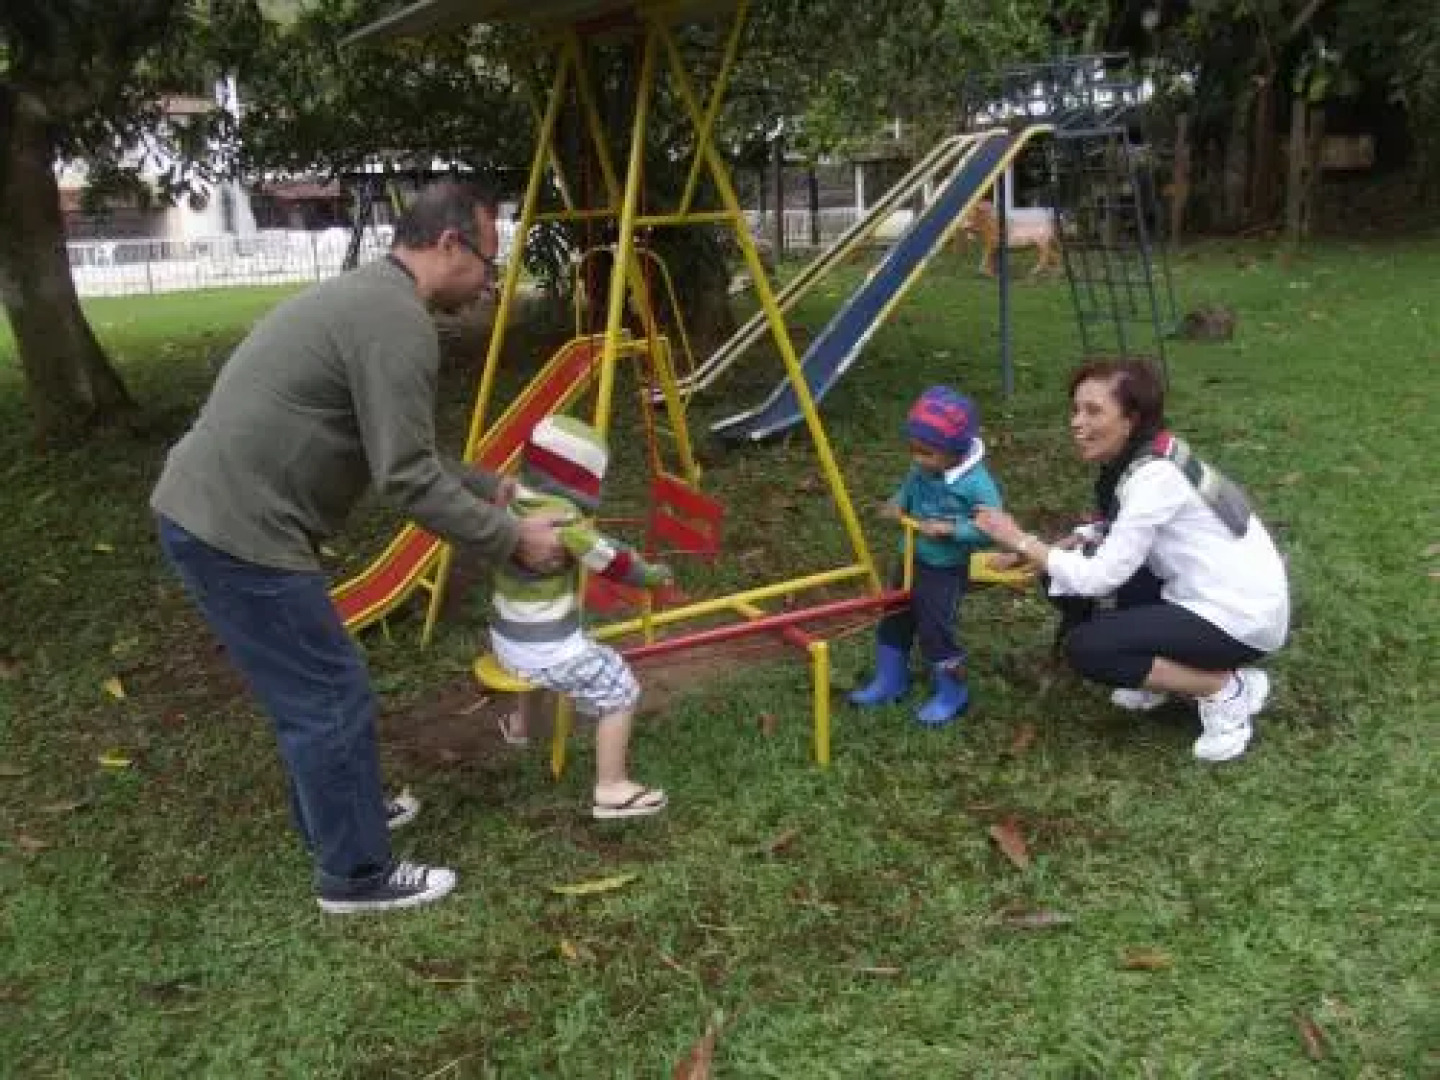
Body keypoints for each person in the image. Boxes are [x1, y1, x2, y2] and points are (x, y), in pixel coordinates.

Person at [151, 180, 566, 914]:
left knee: (311, 690)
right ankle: (355, 876)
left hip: (214, 512)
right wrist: (512, 540)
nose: (489, 283)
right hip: (238, 529)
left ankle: (340, 818)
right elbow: (405, 480)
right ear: (448, 246)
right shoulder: (397, 322)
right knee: (328, 694)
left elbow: (398, 455)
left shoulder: (375, 299)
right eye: (488, 263)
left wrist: (481, 485)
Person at [972, 357, 1290, 763]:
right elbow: (1118, 530)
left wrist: (1022, 539)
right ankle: (1163, 678)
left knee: (1090, 647)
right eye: (1075, 409)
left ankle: (1224, 688)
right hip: (1212, 592)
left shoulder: (1154, 478)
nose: (1076, 422)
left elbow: (1098, 579)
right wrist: (1046, 550)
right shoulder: (1154, 454)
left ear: (1130, 420)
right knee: (1068, 573)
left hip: (1241, 617)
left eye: (1093, 411)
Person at [490, 414, 671, 820]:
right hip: (544, 647)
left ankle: (523, 727)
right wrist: (652, 575)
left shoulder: (511, 500)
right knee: (620, 687)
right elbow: (615, 560)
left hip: (506, 638)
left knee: (535, 673)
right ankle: (612, 787)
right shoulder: (562, 522)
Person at [848, 386, 1003, 727]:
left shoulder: (976, 484)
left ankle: (953, 692)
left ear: (956, 451)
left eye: (927, 453)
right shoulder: (922, 470)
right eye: (914, 451)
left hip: (944, 570)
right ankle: (890, 681)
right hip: (909, 559)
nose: (918, 460)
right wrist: (897, 503)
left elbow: (992, 528)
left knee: (935, 629)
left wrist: (952, 529)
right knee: (894, 617)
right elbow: (910, 488)